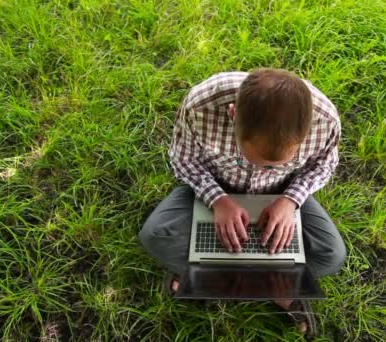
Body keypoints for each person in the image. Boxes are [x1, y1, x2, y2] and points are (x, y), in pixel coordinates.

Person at [139, 69, 347, 337]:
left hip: (281, 192)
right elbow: (184, 160)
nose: (262, 170)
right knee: (154, 235)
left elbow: (322, 167)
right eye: (253, 159)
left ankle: (205, 279)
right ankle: (276, 288)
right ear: (233, 114)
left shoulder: (326, 120)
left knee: (331, 255)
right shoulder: (200, 105)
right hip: (214, 186)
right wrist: (218, 200)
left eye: (275, 165)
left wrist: (290, 200)